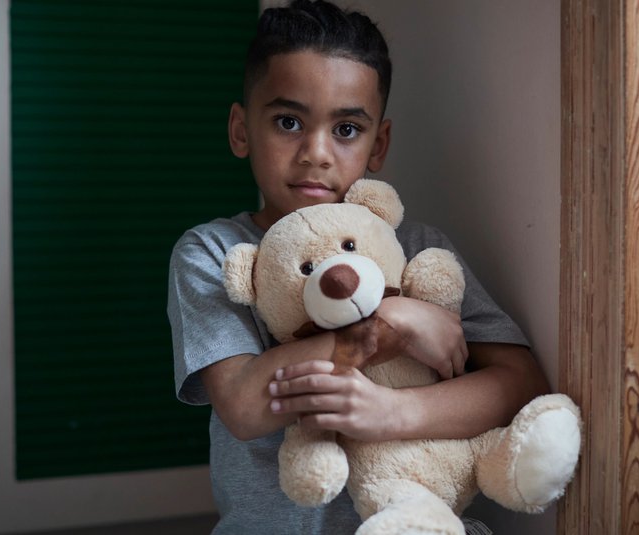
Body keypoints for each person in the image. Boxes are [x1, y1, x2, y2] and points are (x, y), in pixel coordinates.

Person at [167, 1, 550, 533]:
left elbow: (522, 382)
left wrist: (390, 415)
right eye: (287, 122)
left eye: (346, 129)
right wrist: (394, 322)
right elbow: (244, 405)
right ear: (240, 129)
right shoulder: (213, 251)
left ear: (379, 144)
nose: (316, 152)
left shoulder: (417, 249)